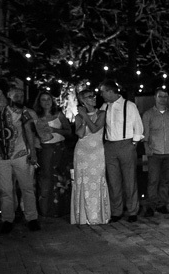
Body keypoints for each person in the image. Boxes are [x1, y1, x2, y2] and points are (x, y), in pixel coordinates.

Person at [0, 82, 41, 234]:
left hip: (20, 154)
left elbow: (29, 131)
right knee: (5, 190)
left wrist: (33, 153)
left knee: (27, 187)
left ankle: (32, 218)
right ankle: (7, 219)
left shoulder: (21, 110)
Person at [99, 80, 144, 223]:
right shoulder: (104, 106)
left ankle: (132, 211)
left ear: (111, 91)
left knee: (129, 179)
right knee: (113, 181)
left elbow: (138, 126)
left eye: (103, 91)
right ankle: (116, 211)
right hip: (110, 146)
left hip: (126, 144)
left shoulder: (129, 105)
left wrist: (134, 143)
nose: (101, 94)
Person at [71, 89, 111, 225]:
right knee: (82, 180)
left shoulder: (101, 113)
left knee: (97, 179)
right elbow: (80, 134)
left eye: (93, 96)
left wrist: (85, 116)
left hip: (97, 152)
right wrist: (82, 118)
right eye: (89, 97)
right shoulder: (78, 117)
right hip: (82, 152)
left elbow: (95, 129)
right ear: (83, 100)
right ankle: (82, 216)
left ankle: (97, 215)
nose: (93, 98)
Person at [141, 88, 169, 217]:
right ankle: (151, 205)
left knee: (165, 180)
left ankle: (162, 204)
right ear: (155, 97)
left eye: (165, 96)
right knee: (153, 180)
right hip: (155, 153)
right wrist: (146, 146)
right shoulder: (148, 115)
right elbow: (145, 133)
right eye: (160, 96)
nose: (163, 99)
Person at [33, 91, 73, 220]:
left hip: (59, 150)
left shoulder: (58, 115)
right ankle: (46, 209)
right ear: (39, 102)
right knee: (46, 179)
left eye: (48, 99)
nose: (46, 102)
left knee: (61, 179)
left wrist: (55, 130)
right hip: (44, 150)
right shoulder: (35, 117)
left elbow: (69, 132)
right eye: (43, 99)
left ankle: (62, 209)